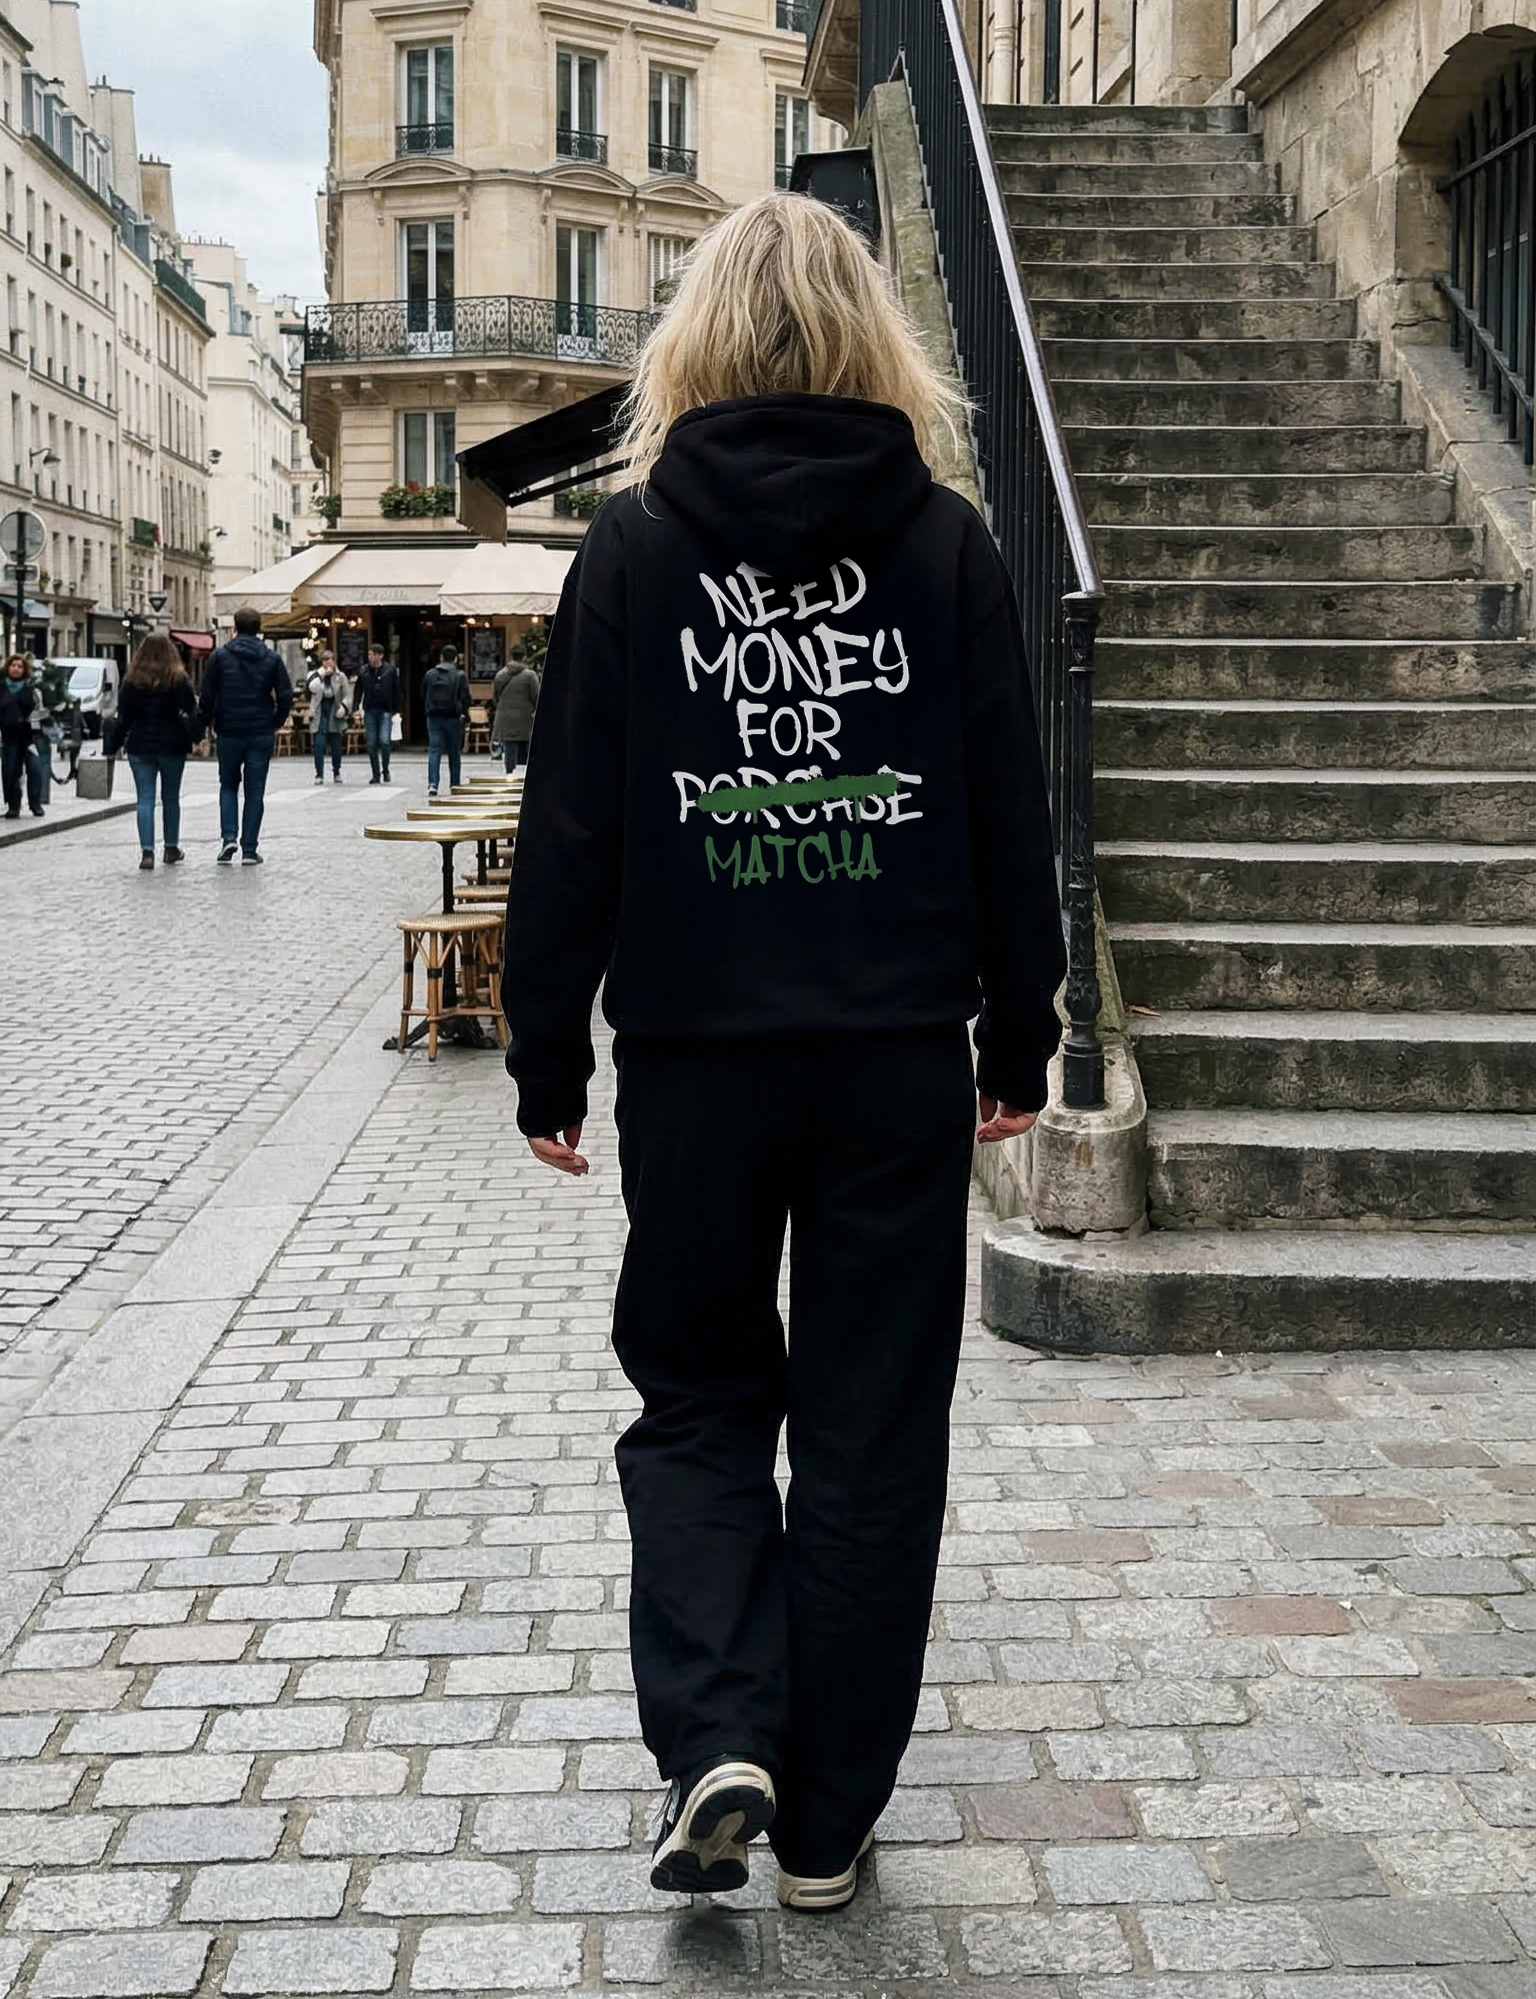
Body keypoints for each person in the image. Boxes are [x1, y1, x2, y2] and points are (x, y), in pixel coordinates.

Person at [500, 194, 1065, 1913]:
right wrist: (1019, 1026)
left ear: (697, 340)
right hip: (893, 1054)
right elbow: (1001, 807)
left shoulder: (632, 549)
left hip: (693, 1056)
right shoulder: (949, 544)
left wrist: (544, 1051)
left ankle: (720, 1727)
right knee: (876, 1423)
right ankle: (823, 1818)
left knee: (695, 1397)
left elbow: (576, 820)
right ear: (868, 337)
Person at [199, 606, 293, 866]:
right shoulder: (271, 658)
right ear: (259, 629)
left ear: (234, 629)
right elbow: (285, 696)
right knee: (255, 791)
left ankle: (229, 837)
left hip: (229, 730)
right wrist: (275, 721)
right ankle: (249, 849)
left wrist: (203, 726)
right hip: (260, 731)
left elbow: (207, 696)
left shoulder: (219, 657)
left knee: (228, 786)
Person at [110, 633, 200, 868]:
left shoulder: (132, 681)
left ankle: (147, 852)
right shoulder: (179, 679)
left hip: (141, 745)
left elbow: (124, 718)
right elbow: (192, 711)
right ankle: (171, 847)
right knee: (171, 798)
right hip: (172, 744)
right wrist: (197, 736)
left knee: (145, 799)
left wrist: (113, 745)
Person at [422, 643, 470, 797]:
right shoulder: (459, 675)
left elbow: (423, 693)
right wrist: (463, 711)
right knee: (453, 751)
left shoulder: (430, 674)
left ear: (441, 657)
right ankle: (454, 783)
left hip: (433, 716)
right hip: (452, 717)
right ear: (456, 659)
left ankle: (432, 784)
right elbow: (465, 697)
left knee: (434, 749)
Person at [0, 654, 43, 820]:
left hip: (30, 737)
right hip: (10, 736)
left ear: (25, 670)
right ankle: (13, 805)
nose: (16, 669)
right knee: (11, 771)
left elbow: (39, 710)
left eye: (20, 666)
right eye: (13, 665)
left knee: (35, 770)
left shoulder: (31, 688)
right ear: (8, 667)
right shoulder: (2, 687)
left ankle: (35, 803)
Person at [357, 643, 401, 784]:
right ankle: (375, 773)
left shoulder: (390, 670)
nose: (371, 657)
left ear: (380, 656)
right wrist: (355, 708)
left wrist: (397, 710)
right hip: (370, 709)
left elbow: (396, 690)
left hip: (385, 710)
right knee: (371, 743)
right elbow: (358, 690)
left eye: (373, 654)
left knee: (384, 741)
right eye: (369, 654)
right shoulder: (363, 671)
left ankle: (385, 769)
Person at [307, 651, 351, 785]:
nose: (328, 662)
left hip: (334, 710)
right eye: (325, 660)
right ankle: (319, 774)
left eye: (331, 659)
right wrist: (321, 674)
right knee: (319, 744)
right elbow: (311, 688)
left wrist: (343, 707)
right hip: (320, 712)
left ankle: (336, 771)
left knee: (336, 744)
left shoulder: (340, 676)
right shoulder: (314, 675)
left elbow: (347, 695)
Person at [492, 650, 540, 772]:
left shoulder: (500, 675)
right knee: (526, 749)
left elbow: (495, 696)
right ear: (523, 657)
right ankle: (524, 779)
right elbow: (536, 696)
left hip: (505, 718)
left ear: (511, 656)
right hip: (525, 719)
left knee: (509, 750)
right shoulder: (530, 676)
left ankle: (509, 774)